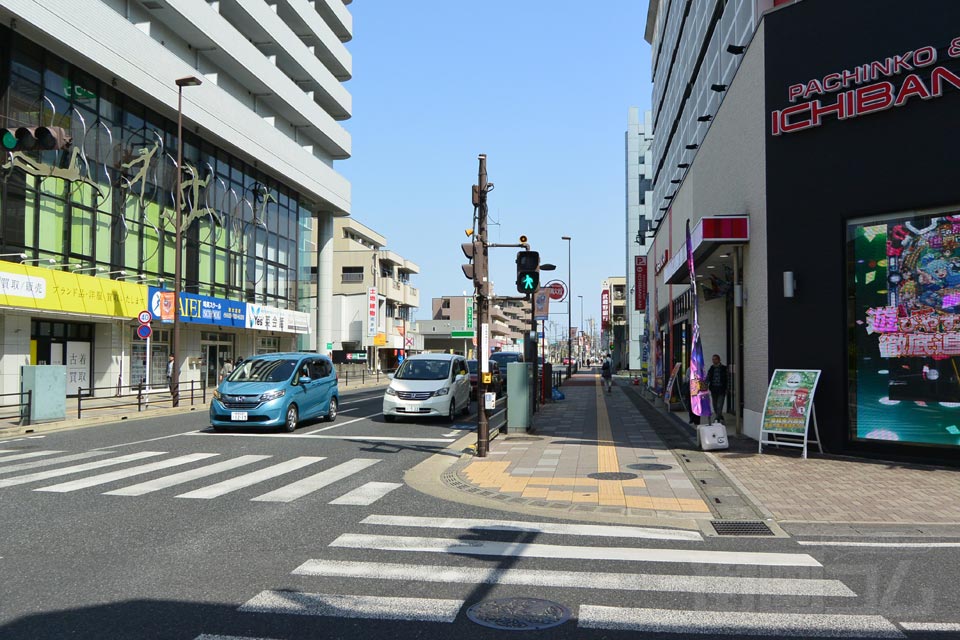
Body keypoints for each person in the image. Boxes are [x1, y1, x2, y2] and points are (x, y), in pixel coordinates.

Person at [707, 354, 728, 424]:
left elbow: (728, 379)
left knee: (719, 405)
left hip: (721, 389)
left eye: (715, 359)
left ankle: (717, 419)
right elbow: (708, 377)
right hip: (713, 389)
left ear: (719, 360)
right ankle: (720, 416)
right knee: (715, 406)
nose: (713, 361)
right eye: (713, 359)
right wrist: (705, 385)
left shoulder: (724, 368)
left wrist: (727, 388)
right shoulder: (711, 368)